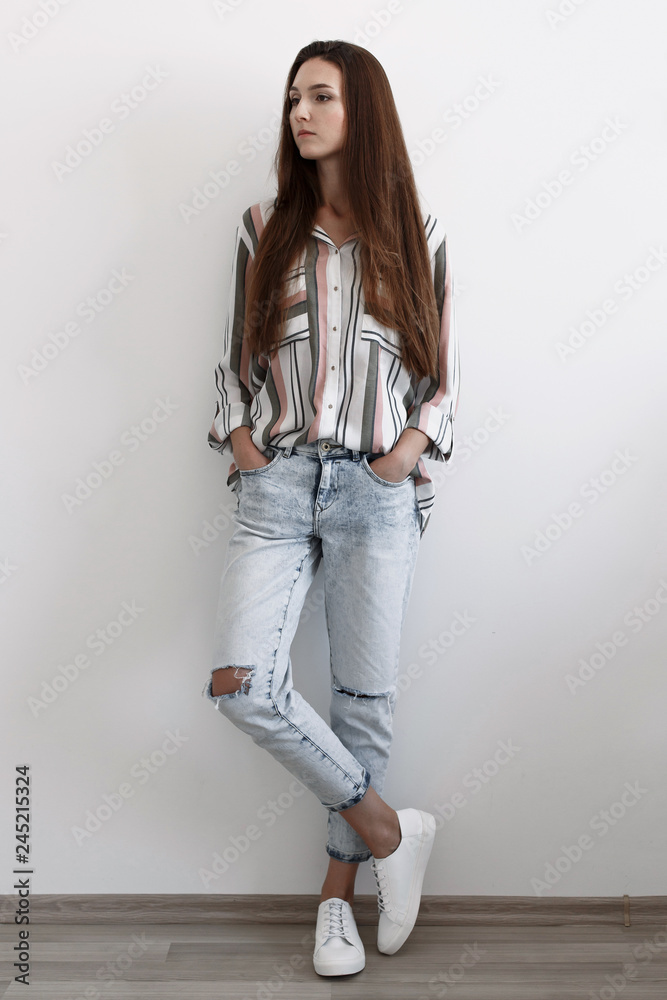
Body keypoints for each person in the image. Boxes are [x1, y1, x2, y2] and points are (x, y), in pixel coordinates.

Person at [201, 39, 460, 977]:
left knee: (362, 707)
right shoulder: (261, 225)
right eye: (292, 97)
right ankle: (393, 830)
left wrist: (403, 455)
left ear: (364, 112)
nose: (299, 113)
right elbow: (234, 354)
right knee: (242, 684)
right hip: (274, 486)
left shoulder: (419, 234)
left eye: (319, 96)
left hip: (374, 490)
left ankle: (333, 906)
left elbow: (442, 378)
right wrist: (240, 439)